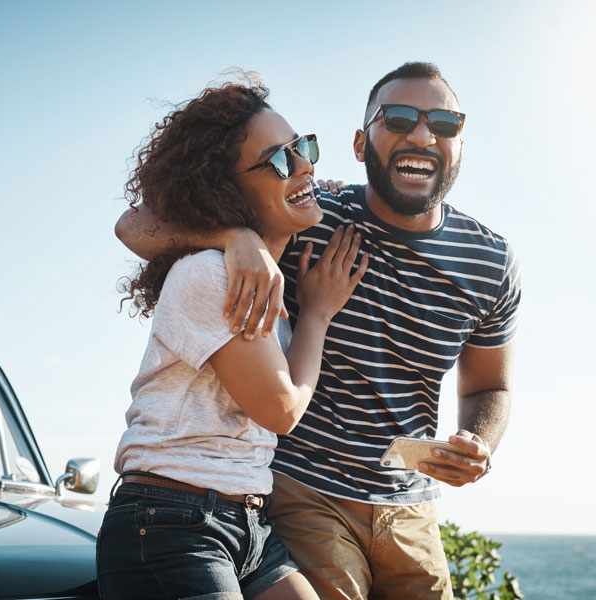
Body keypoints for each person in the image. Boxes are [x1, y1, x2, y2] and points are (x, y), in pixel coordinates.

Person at [115, 62, 521, 600]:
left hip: (410, 505)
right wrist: (235, 235)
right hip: (302, 490)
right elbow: (136, 224)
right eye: (397, 117)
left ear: (461, 144)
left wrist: (479, 442)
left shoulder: (490, 261)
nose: (421, 135)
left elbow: (490, 386)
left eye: (444, 124)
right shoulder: (308, 211)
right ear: (361, 142)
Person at [98, 76, 368, 600]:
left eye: (304, 147)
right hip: (170, 523)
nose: (306, 165)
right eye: (281, 160)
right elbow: (281, 410)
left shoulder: (260, 272)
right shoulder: (210, 275)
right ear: (227, 188)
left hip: (245, 524)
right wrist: (316, 314)